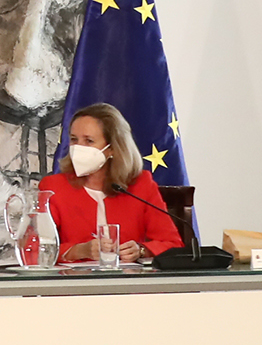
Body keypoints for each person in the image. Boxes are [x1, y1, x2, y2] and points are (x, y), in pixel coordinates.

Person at [38, 103, 181, 262]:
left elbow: (172, 244)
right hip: (76, 283)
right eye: (73, 140)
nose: (78, 148)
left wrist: (141, 250)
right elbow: (36, 248)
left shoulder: (142, 185)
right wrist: (78, 251)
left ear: (112, 148)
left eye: (89, 141)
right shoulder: (54, 187)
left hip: (128, 284)